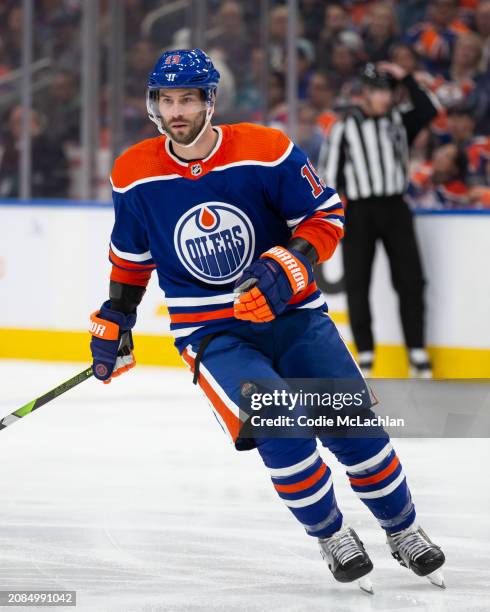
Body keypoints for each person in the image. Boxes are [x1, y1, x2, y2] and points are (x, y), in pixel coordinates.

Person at [88, 49, 445, 590]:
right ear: (154, 104)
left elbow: (325, 214)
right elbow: (131, 259)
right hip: (212, 334)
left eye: (188, 98)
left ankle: (403, 529)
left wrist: (288, 264)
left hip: (294, 317)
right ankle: (331, 535)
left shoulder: (266, 149)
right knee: (284, 431)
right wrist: (117, 315)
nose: (177, 110)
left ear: (210, 102)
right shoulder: (133, 172)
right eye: (167, 99)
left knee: (356, 432)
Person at [318, 62, 439, 377]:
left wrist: (406, 76)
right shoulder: (344, 127)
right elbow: (329, 175)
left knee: (411, 281)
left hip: (395, 208)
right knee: (358, 283)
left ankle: (416, 351)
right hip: (359, 211)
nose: (385, 97)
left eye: (388, 90)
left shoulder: (398, 120)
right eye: (378, 90)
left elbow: (429, 110)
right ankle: (367, 355)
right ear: (365, 93)